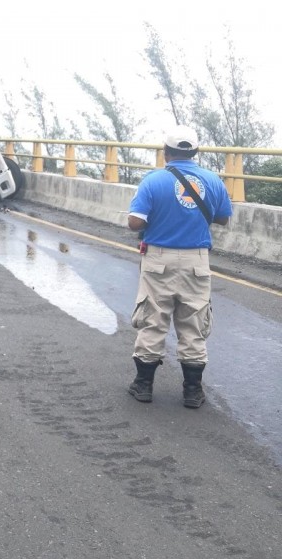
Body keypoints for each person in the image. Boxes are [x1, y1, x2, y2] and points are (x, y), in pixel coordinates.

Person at [127, 124, 232, 408]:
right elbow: (223, 218)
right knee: (193, 324)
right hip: (197, 260)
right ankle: (192, 392)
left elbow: (135, 221)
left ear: (165, 152)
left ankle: (144, 385)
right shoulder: (212, 180)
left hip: (159, 258)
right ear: (196, 153)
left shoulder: (153, 180)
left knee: (153, 319)